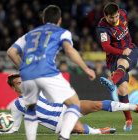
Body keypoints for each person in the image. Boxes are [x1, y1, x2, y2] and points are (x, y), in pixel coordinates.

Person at [7, 5, 96, 140]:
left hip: (29, 75)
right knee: (74, 103)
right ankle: (64, 136)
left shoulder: (30, 34)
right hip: (48, 72)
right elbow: (70, 51)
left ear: (43, 19)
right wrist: (86, 68)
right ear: (60, 20)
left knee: (31, 108)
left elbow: (11, 52)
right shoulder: (62, 32)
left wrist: (23, 69)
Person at [0, 73, 138, 135]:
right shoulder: (17, 106)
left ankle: (133, 107)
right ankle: (100, 131)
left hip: (65, 108)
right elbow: (14, 129)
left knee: (96, 104)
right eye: (18, 83)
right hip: (58, 123)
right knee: (78, 128)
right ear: (13, 88)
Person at [97, 2, 138, 131]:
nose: (114, 20)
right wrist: (121, 52)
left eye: (116, 16)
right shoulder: (102, 27)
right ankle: (129, 120)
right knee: (122, 90)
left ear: (119, 13)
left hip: (130, 50)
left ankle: (111, 81)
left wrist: (124, 52)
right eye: (111, 18)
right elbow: (106, 46)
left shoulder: (124, 14)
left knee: (122, 63)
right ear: (105, 16)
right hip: (115, 56)